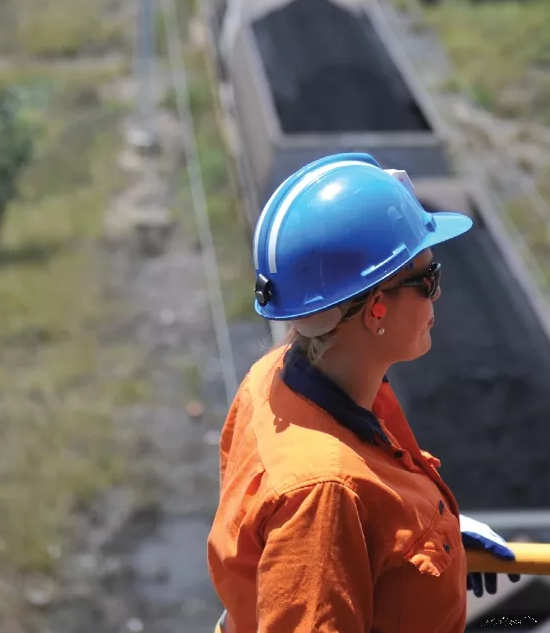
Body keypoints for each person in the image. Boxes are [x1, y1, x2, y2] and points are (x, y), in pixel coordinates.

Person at [207, 152, 519, 633]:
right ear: (376, 310)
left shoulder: (273, 381)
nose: (437, 295)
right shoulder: (322, 496)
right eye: (427, 280)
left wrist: (437, 537)